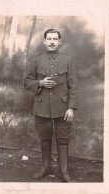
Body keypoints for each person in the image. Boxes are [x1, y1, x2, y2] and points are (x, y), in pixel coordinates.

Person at [24, 29, 78, 182]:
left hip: (62, 108)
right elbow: (26, 82)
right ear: (44, 41)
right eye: (49, 39)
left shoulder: (68, 60)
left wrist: (71, 107)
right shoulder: (36, 61)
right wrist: (40, 83)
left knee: (62, 139)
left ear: (59, 42)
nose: (52, 41)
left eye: (55, 39)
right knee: (45, 139)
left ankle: (64, 172)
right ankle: (45, 168)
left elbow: (73, 86)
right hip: (41, 108)